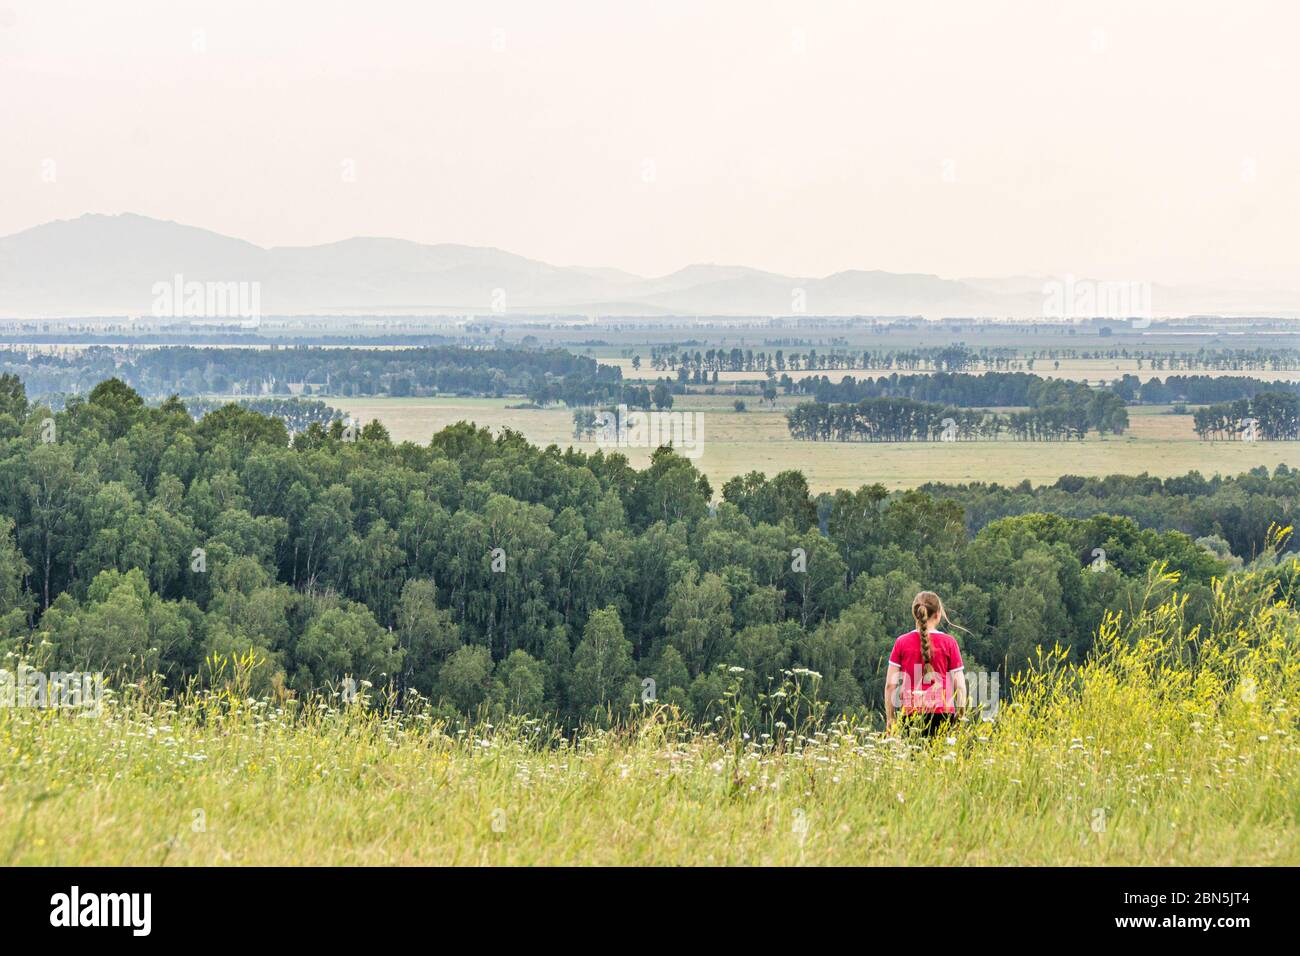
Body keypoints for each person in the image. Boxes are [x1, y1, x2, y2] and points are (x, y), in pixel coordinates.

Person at [884, 590, 967, 736]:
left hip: (910, 713)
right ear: (938, 614)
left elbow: (890, 685)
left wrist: (891, 718)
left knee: (913, 757)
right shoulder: (949, 643)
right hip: (943, 714)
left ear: (915, 614)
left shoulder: (901, 642)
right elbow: (959, 685)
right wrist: (960, 716)